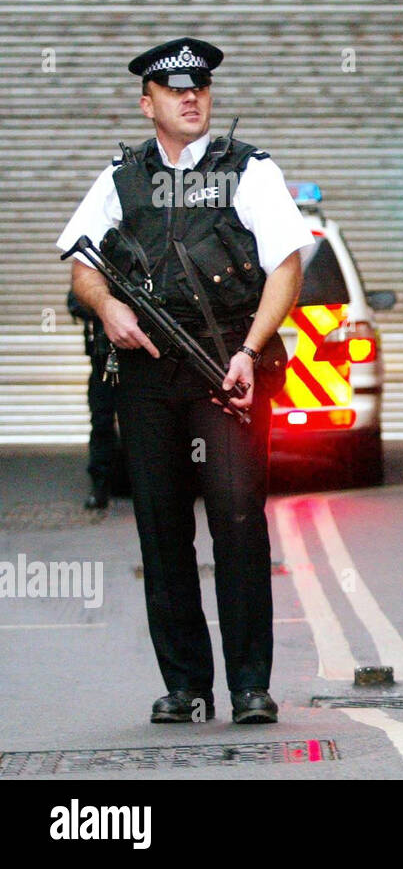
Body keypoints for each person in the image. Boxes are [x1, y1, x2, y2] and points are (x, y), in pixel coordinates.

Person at [56, 38, 312, 724]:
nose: (191, 96)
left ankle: (251, 685)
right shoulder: (122, 179)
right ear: (148, 104)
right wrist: (107, 306)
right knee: (161, 529)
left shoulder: (248, 170)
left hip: (224, 364)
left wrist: (251, 350)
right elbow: (79, 261)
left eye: (199, 86)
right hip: (144, 373)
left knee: (236, 521)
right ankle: (186, 686)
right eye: (174, 90)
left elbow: (287, 265)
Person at [67, 289, 129, 510]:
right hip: (103, 359)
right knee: (101, 421)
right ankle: (100, 485)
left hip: (138, 360)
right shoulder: (95, 271)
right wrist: (104, 306)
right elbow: (75, 301)